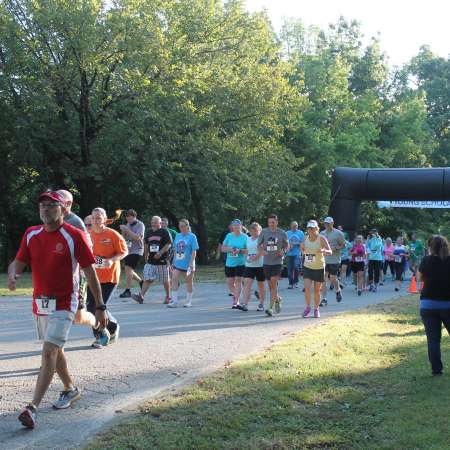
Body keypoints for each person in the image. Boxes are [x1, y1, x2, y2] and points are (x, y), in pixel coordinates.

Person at [7, 191, 108, 429]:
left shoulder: (74, 235)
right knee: (56, 350)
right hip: (40, 303)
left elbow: (90, 272)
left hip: (65, 302)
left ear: (63, 210)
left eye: (51, 206)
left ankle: (32, 408)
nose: (45, 210)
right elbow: (19, 259)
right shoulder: (31, 234)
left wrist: (101, 306)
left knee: (48, 353)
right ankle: (70, 389)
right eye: (42, 206)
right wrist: (14, 272)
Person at [87, 207, 128, 347]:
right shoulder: (88, 235)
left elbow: (124, 252)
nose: (96, 221)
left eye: (99, 218)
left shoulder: (112, 234)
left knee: (98, 307)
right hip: (93, 278)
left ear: (104, 219)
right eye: (94, 218)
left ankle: (101, 337)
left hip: (109, 277)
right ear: (91, 220)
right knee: (90, 308)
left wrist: (111, 260)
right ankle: (112, 326)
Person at [56, 190, 97, 330]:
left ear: (68, 203)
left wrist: (82, 269)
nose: (55, 202)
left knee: (79, 316)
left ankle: (101, 324)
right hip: (58, 274)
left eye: (59, 200)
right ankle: (56, 346)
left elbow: (88, 248)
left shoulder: (75, 222)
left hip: (77, 274)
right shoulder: (51, 219)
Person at [418, 235, 450, 376]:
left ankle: (437, 370)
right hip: (447, 304)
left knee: (433, 340)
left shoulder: (426, 260)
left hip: (428, 304)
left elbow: (420, 278)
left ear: (430, 247)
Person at [132, 216, 173, 304]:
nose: (153, 224)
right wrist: (145, 256)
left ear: (160, 223)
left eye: (155, 222)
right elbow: (146, 245)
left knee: (165, 280)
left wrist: (160, 252)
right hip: (151, 261)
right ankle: (141, 296)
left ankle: (168, 297)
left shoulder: (164, 232)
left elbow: (168, 244)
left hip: (162, 260)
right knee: (147, 278)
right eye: (152, 222)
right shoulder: (149, 232)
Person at [258, 214, 289, 317]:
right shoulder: (264, 232)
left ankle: (270, 308)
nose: (271, 224)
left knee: (273, 282)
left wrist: (283, 251)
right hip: (267, 262)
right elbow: (259, 245)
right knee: (271, 286)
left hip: (277, 262)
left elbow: (287, 245)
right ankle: (278, 299)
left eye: (273, 222)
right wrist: (262, 251)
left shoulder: (282, 233)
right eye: (269, 222)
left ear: (277, 222)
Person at [301, 220, 332, 318]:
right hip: (308, 266)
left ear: (316, 228)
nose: (310, 230)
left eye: (312, 228)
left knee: (317, 290)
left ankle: (316, 309)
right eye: (309, 228)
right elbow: (303, 251)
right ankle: (308, 307)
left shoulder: (321, 238)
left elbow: (330, 251)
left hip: (319, 267)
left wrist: (323, 250)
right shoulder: (305, 239)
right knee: (307, 288)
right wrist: (302, 250)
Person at [168, 219, 199, 308]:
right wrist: (173, 261)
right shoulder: (177, 236)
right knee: (174, 278)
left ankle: (188, 301)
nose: (181, 228)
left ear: (187, 226)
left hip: (188, 263)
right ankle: (174, 301)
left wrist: (191, 262)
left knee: (188, 281)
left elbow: (194, 251)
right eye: (179, 226)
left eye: (182, 226)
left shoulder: (192, 236)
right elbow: (175, 249)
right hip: (178, 263)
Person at [118, 209, 145, 298]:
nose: (128, 218)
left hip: (137, 250)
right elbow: (123, 238)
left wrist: (126, 229)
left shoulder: (140, 225)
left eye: (129, 216)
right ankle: (141, 282)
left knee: (128, 268)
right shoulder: (127, 225)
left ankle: (127, 290)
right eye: (126, 217)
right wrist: (123, 231)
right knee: (128, 270)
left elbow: (137, 238)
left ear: (134, 216)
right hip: (128, 250)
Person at [240, 222, 265, 312]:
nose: (253, 232)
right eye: (252, 230)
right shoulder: (248, 239)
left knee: (261, 285)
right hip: (249, 266)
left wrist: (253, 258)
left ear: (259, 231)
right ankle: (245, 304)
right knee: (247, 283)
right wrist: (244, 254)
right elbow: (247, 250)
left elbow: (261, 252)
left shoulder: (261, 240)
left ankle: (261, 304)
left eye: (256, 230)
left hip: (260, 265)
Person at [221, 219, 247, 308]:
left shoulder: (245, 237)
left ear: (241, 226)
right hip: (230, 263)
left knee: (238, 280)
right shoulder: (229, 236)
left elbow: (248, 250)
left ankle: (236, 301)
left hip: (241, 263)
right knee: (229, 282)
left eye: (238, 225)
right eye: (234, 225)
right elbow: (223, 248)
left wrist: (240, 250)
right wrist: (231, 249)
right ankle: (236, 296)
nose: (236, 227)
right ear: (232, 227)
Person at [320, 217, 345, 306]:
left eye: (329, 223)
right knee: (323, 279)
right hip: (324, 259)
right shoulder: (322, 233)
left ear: (332, 223)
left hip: (334, 259)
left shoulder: (339, 233)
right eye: (326, 223)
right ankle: (324, 299)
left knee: (333, 278)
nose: (327, 225)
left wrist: (335, 248)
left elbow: (343, 245)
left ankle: (338, 290)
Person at [286, 221, 304, 289]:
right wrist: (289, 245)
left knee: (296, 267)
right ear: (291, 226)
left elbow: (302, 242)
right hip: (289, 253)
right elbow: (285, 242)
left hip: (297, 253)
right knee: (289, 269)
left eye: (296, 226)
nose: (295, 227)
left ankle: (296, 282)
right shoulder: (287, 233)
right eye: (293, 226)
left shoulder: (300, 233)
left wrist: (296, 244)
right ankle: (291, 283)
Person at [366, 228, 383, 292]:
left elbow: (379, 245)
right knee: (370, 272)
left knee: (377, 272)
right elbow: (367, 246)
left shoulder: (379, 238)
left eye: (374, 232)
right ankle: (371, 285)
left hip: (378, 258)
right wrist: (368, 239)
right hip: (371, 258)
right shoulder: (371, 239)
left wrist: (376, 236)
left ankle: (376, 286)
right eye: (372, 232)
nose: (373, 233)